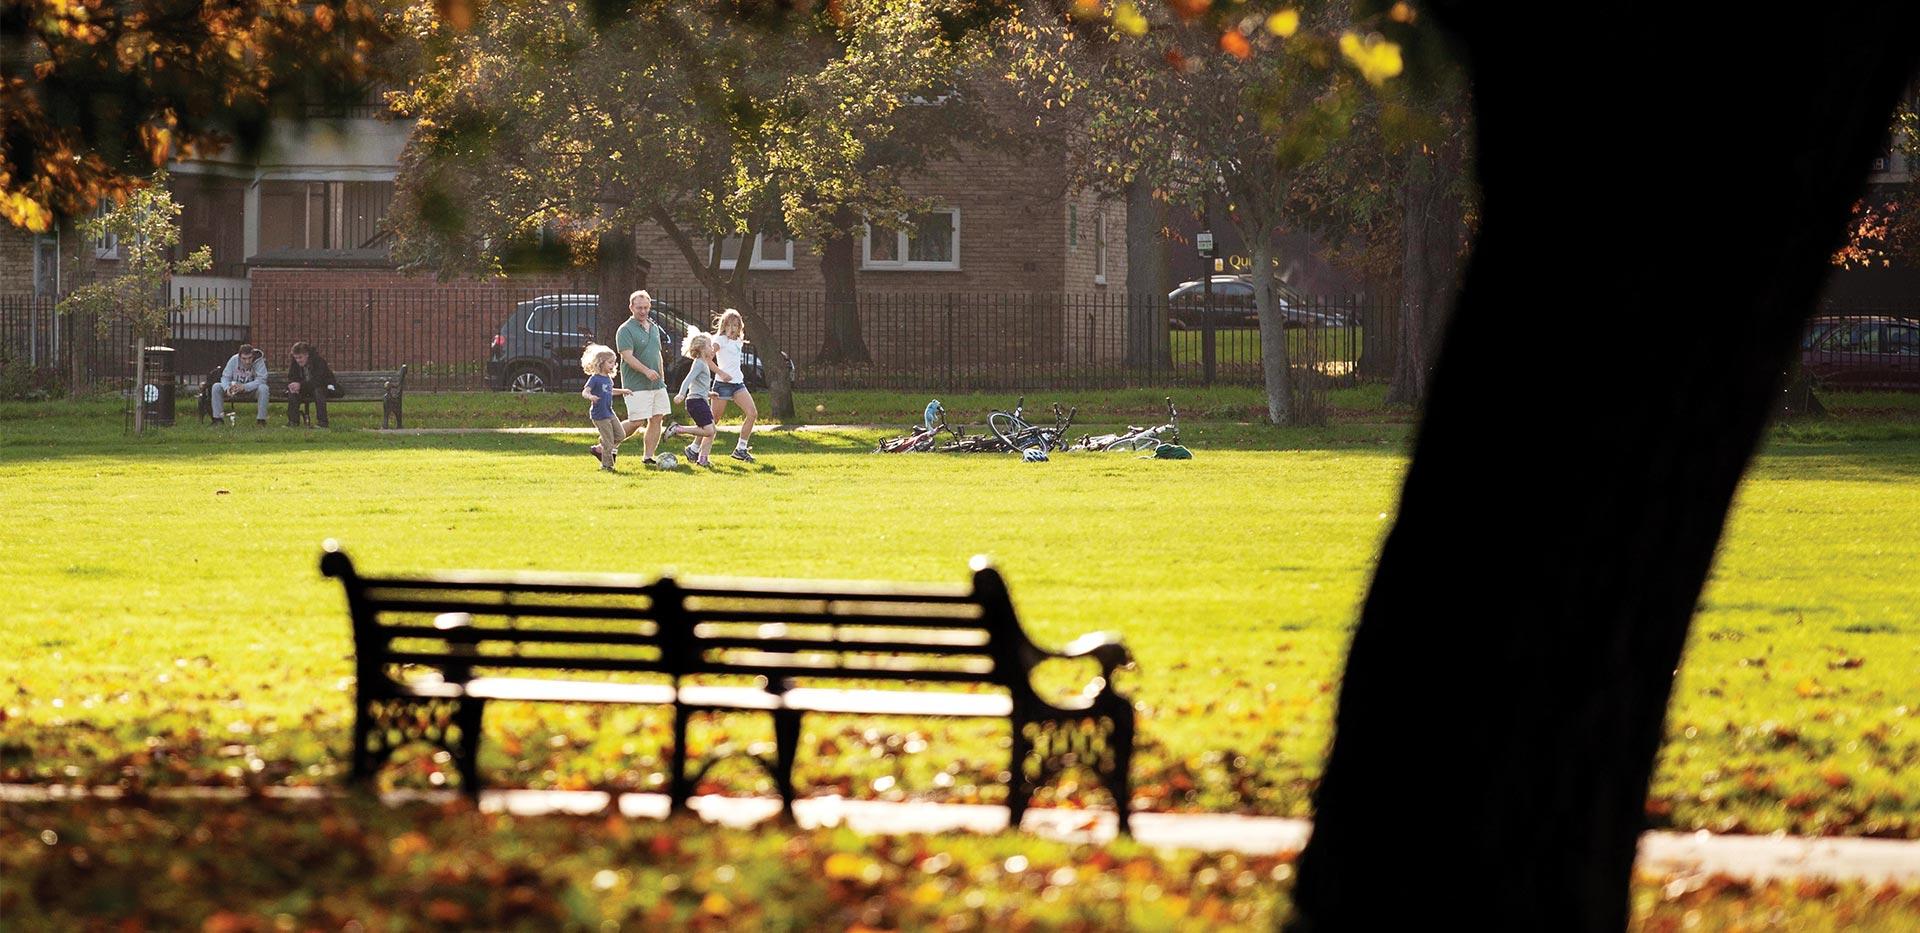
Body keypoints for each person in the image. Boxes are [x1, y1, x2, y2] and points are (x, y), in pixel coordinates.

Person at [603, 289, 672, 468]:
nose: (643, 311)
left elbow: (657, 354)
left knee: (657, 418)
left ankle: (648, 457)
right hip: (636, 383)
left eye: (646, 307)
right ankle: (605, 444)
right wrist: (646, 371)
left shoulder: (654, 327)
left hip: (657, 384)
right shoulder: (625, 330)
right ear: (631, 307)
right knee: (637, 421)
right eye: (639, 308)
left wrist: (661, 377)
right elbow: (627, 356)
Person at [708, 308, 758, 463]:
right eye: (729, 325)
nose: (732, 329)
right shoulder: (719, 340)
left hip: (738, 384)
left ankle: (741, 449)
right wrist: (721, 373)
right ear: (724, 325)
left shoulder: (738, 341)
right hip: (722, 385)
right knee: (712, 421)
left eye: (735, 325)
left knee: (752, 413)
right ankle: (694, 449)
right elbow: (707, 358)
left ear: (739, 327)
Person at [668, 329, 719, 468]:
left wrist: (709, 393)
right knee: (708, 430)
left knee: (712, 431)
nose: (712, 348)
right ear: (702, 349)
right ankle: (678, 429)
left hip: (701, 400)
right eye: (709, 345)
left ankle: (703, 459)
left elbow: (698, 386)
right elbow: (688, 380)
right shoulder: (699, 363)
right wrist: (681, 394)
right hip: (695, 402)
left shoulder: (704, 363)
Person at [580, 344, 632, 472]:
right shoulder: (595, 379)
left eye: (614, 363)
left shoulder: (608, 379)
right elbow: (585, 392)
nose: (612, 365)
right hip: (600, 415)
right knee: (609, 443)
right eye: (610, 362)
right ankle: (606, 465)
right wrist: (590, 396)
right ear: (600, 363)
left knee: (620, 435)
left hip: (609, 412)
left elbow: (609, 391)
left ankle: (601, 446)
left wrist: (623, 391)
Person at [284, 342, 341, 427]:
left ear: (307, 355)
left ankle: (322, 422)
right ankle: (293, 422)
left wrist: (300, 385)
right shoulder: (295, 364)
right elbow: (292, 377)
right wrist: (292, 385)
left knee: (318, 391)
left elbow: (319, 381)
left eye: (300, 357)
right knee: (293, 392)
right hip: (305, 389)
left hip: (323, 388)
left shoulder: (319, 362)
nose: (298, 360)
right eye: (296, 358)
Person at [211, 343, 270, 425]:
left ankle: (261, 420)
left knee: (264, 388)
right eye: (244, 358)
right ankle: (217, 420)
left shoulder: (259, 361)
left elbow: (262, 379)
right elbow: (225, 377)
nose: (247, 361)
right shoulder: (233, 360)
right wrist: (227, 388)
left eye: (250, 358)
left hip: (251, 391)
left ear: (253, 356)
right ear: (239, 356)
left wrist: (245, 387)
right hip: (234, 390)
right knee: (216, 386)